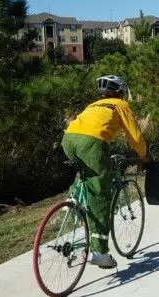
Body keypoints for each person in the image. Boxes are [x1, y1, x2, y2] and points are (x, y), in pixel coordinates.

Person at [61, 75, 148, 269]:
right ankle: (100, 253)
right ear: (120, 93)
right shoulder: (120, 105)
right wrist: (143, 155)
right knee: (100, 196)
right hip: (92, 143)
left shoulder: (93, 105)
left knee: (87, 171)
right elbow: (134, 135)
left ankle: (73, 198)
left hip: (69, 140)